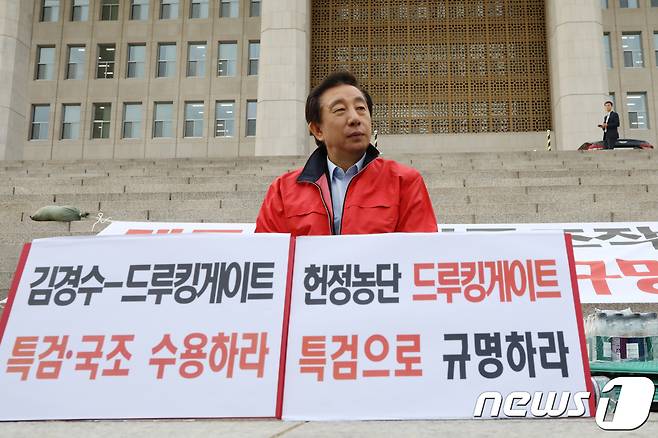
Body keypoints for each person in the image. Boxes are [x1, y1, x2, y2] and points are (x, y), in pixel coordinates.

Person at [255, 71, 437, 236]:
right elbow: (267, 259)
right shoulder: (283, 190)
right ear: (318, 129)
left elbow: (421, 256)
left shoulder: (404, 182)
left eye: (361, 109)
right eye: (340, 110)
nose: (355, 119)